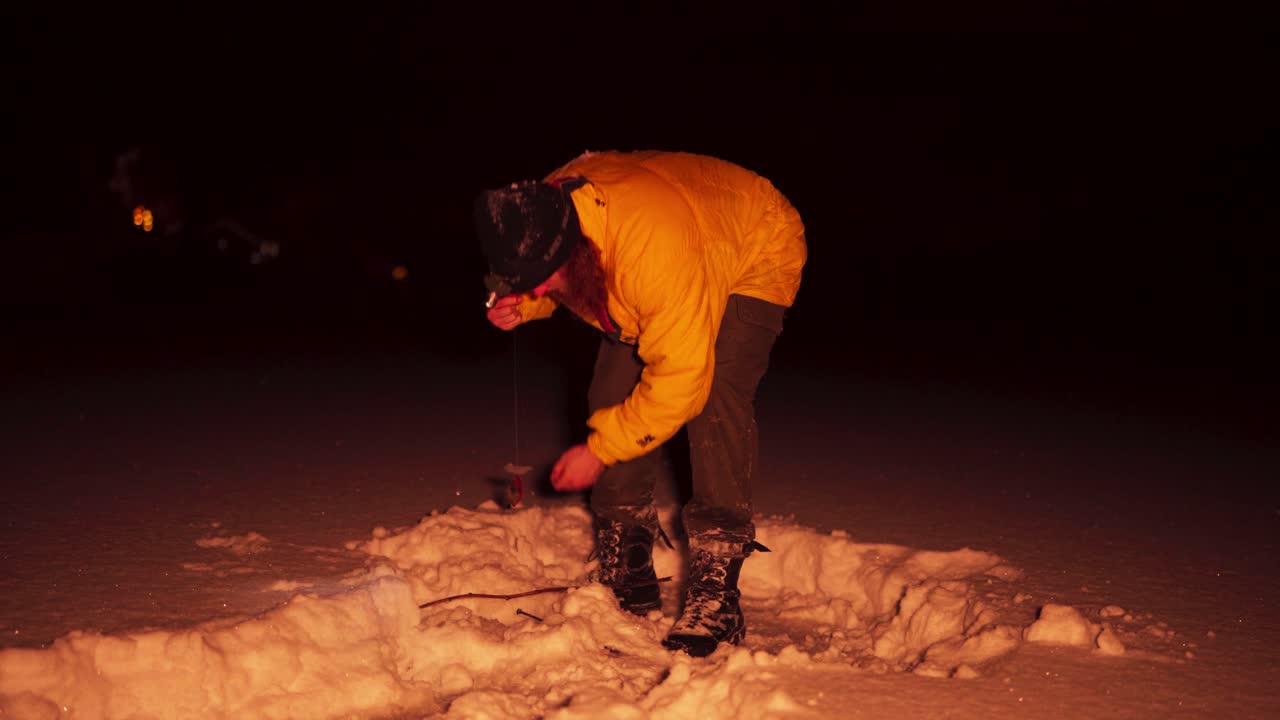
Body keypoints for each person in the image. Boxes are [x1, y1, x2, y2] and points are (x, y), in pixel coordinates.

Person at [475, 150, 806, 657]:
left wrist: (602, 450)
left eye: (539, 279)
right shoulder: (540, 208)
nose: (536, 286)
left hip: (750, 242)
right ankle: (627, 567)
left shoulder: (653, 254)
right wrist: (528, 303)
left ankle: (717, 591)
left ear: (574, 247)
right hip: (667, 234)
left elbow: (681, 381)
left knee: (714, 395)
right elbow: (562, 279)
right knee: (612, 389)